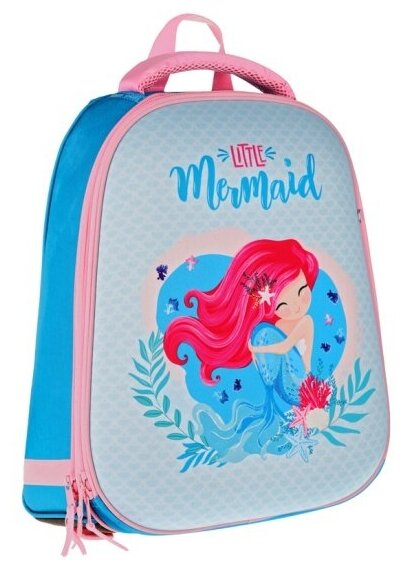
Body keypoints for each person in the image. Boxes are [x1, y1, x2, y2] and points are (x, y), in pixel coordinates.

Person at [163, 239, 319, 462]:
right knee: (262, 331)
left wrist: (257, 348)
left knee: (263, 334)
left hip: (300, 383)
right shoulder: (271, 327)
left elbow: (289, 349)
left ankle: (273, 417)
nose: (297, 307)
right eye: (282, 305)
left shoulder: (305, 322)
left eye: (302, 291)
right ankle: (267, 417)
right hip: (284, 383)